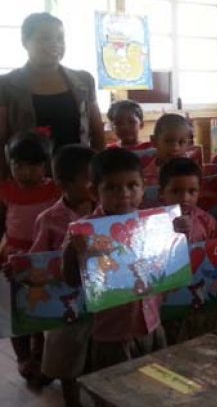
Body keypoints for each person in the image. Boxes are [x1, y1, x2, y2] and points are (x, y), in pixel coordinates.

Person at [62, 148, 166, 371]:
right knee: (115, 392)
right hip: (111, 334)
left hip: (152, 323)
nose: (124, 194)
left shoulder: (155, 223)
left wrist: (177, 234)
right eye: (112, 187)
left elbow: (166, 265)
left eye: (132, 185)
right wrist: (74, 250)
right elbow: (70, 280)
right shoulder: (82, 231)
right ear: (93, 191)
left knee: (157, 388)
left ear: (143, 187)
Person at [0, 12, 105, 177]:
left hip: (78, 178)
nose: (55, 44)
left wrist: (100, 174)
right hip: (29, 179)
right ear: (25, 42)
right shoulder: (6, 84)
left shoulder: (83, 80)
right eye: (45, 38)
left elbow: (97, 132)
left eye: (60, 38)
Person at [30, 144, 95, 406]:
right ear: (63, 184)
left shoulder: (104, 211)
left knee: (96, 354)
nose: (96, 184)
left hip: (101, 299)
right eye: (89, 179)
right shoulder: (48, 219)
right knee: (68, 361)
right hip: (66, 302)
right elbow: (38, 261)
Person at [0, 132, 60, 384]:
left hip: (42, 257)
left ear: (46, 165)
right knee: (17, 310)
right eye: (18, 165)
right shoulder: (6, 189)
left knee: (39, 305)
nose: (25, 172)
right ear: (9, 163)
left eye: (33, 166)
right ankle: (24, 358)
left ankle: (40, 352)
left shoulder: (54, 188)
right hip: (13, 257)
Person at [159, 158, 217, 343]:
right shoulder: (154, 224)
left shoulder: (207, 221)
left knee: (204, 340)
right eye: (176, 191)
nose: (185, 198)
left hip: (203, 298)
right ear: (162, 193)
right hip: (170, 301)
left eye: (192, 191)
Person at [143, 114, 193, 185]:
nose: (175, 148)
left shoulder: (193, 172)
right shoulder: (146, 178)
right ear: (154, 141)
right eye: (168, 141)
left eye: (181, 142)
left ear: (188, 144)